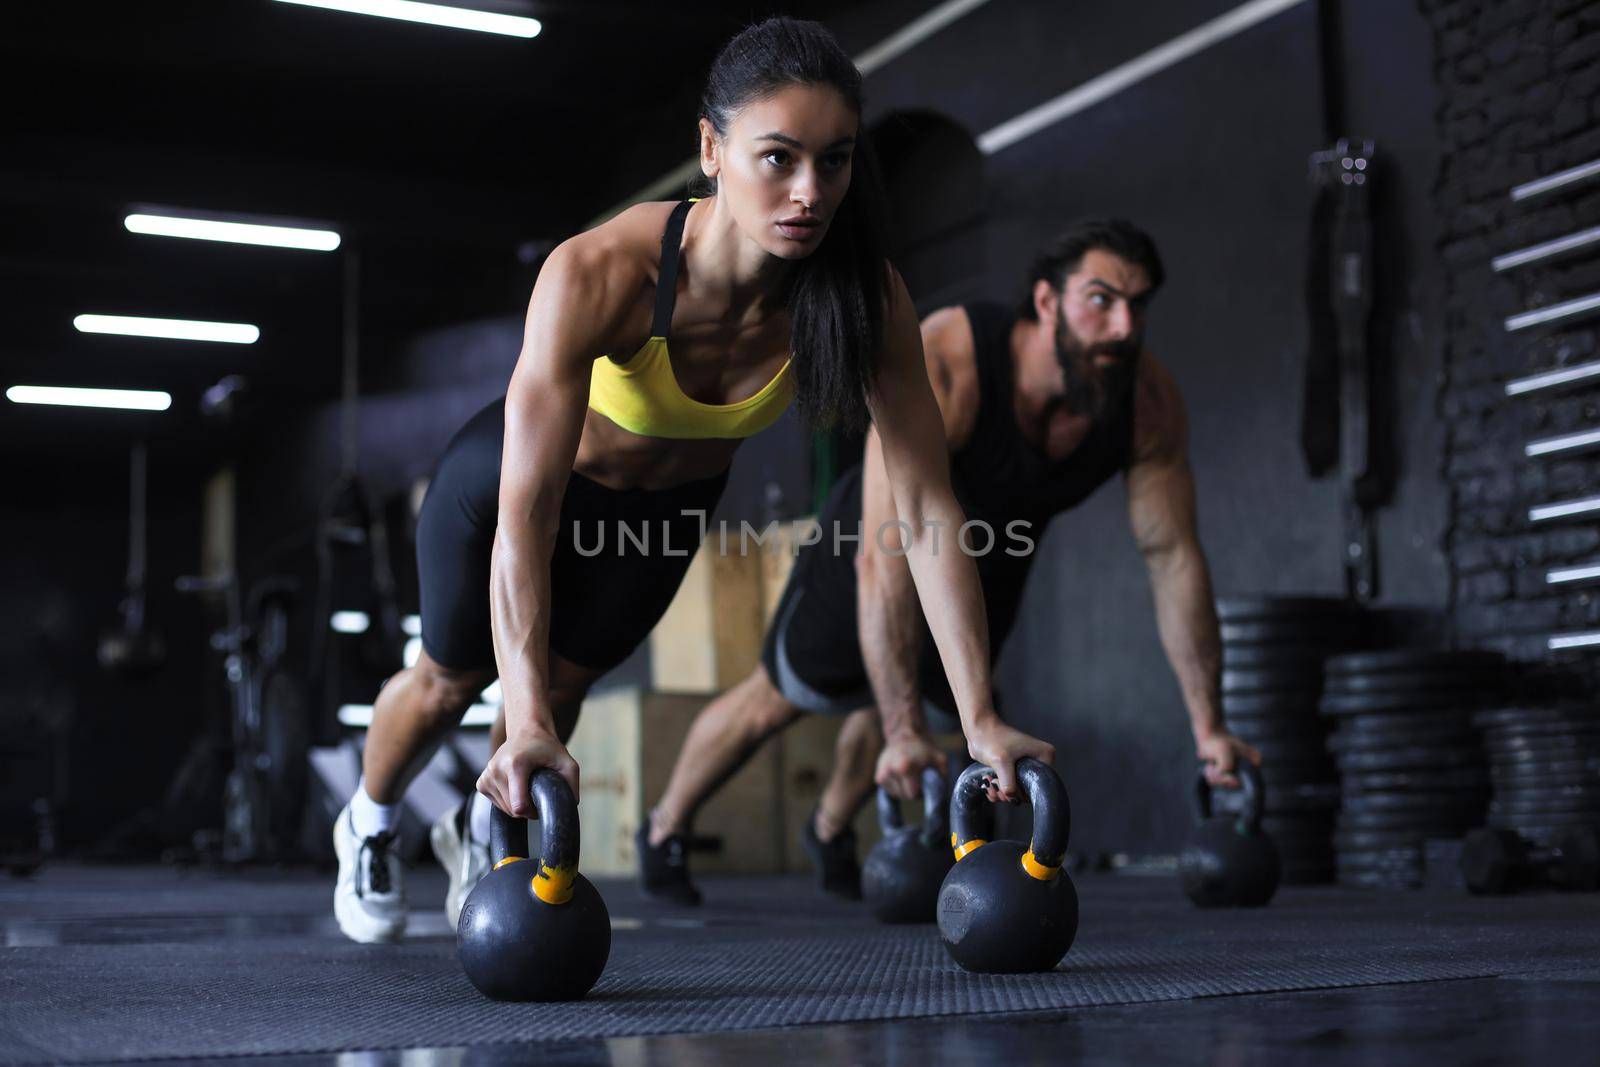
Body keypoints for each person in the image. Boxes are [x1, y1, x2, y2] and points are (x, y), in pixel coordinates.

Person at [331, 16, 1051, 944]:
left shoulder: (861, 296)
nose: (809, 192)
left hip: (666, 511)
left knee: (565, 686)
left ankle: (484, 829)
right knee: (447, 678)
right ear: (712, 149)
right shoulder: (602, 272)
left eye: (833, 163)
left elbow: (926, 510)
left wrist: (982, 715)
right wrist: (520, 722)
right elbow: (528, 513)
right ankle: (373, 821)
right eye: (778, 158)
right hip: (516, 483)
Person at [639, 219, 1259, 903]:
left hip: (989, 565)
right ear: (1048, 301)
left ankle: (829, 825)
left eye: (1138, 306)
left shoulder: (1144, 403)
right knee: (782, 699)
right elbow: (888, 556)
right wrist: (905, 731)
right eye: (1102, 300)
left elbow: (1173, 557)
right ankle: (665, 825)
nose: (1123, 327)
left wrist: (1210, 727)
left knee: (936, 715)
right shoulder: (950, 362)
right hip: (873, 538)